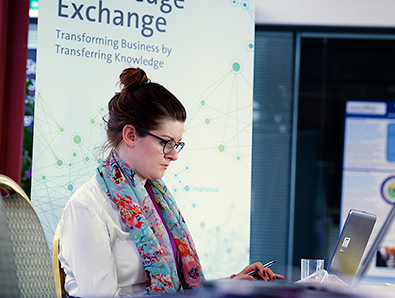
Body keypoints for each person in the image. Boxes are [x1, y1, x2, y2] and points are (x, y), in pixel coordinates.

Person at [56, 67, 284, 297]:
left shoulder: (155, 198)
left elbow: (176, 287)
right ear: (131, 135)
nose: (174, 155)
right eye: (166, 142)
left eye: (177, 144)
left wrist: (230, 284)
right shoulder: (86, 207)